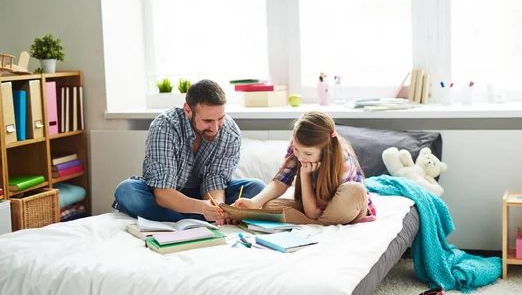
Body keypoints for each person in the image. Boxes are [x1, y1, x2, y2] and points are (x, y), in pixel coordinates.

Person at [112, 79, 266, 223]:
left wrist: (217, 207)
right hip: (166, 194)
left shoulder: (229, 132)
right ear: (187, 110)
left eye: (220, 118)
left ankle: (176, 219)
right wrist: (200, 208)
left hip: (201, 195)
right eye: (207, 121)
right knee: (126, 190)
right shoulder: (165, 127)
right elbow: (163, 193)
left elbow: (216, 180)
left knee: (256, 188)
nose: (215, 128)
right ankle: (192, 219)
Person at [233, 111, 376, 225]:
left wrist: (304, 175)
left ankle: (317, 223)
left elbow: (313, 212)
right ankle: (317, 224)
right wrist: (255, 202)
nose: (300, 157)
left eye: (308, 153)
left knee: (355, 190)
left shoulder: (342, 160)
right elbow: (282, 179)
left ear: (325, 150)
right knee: (269, 206)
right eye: (296, 150)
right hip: (313, 207)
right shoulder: (298, 143)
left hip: (343, 207)